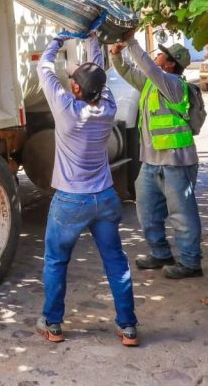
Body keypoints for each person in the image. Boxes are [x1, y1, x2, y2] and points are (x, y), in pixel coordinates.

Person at [35, 32, 139, 347]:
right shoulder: (107, 106)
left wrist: (57, 40)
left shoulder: (67, 110)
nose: (70, 83)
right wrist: (93, 38)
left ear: (77, 89)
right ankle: (128, 327)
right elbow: (98, 72)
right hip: (105, 197)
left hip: (71, 201)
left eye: (74, 81)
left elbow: (43, 68)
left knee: (56, 261)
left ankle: (53, 323)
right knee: (116, 262)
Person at [111, 35, 204, 279]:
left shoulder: (173, 84)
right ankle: (160, 253)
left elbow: (148, 68)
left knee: (182, 215)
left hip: (176, 162)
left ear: (171, 63)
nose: (157, 55)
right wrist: (116, 54)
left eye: (162, 54)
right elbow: (126, 71)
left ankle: (191, 262)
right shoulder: (152, 84)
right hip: (151, 163)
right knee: (147, 212)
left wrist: (131, 42)